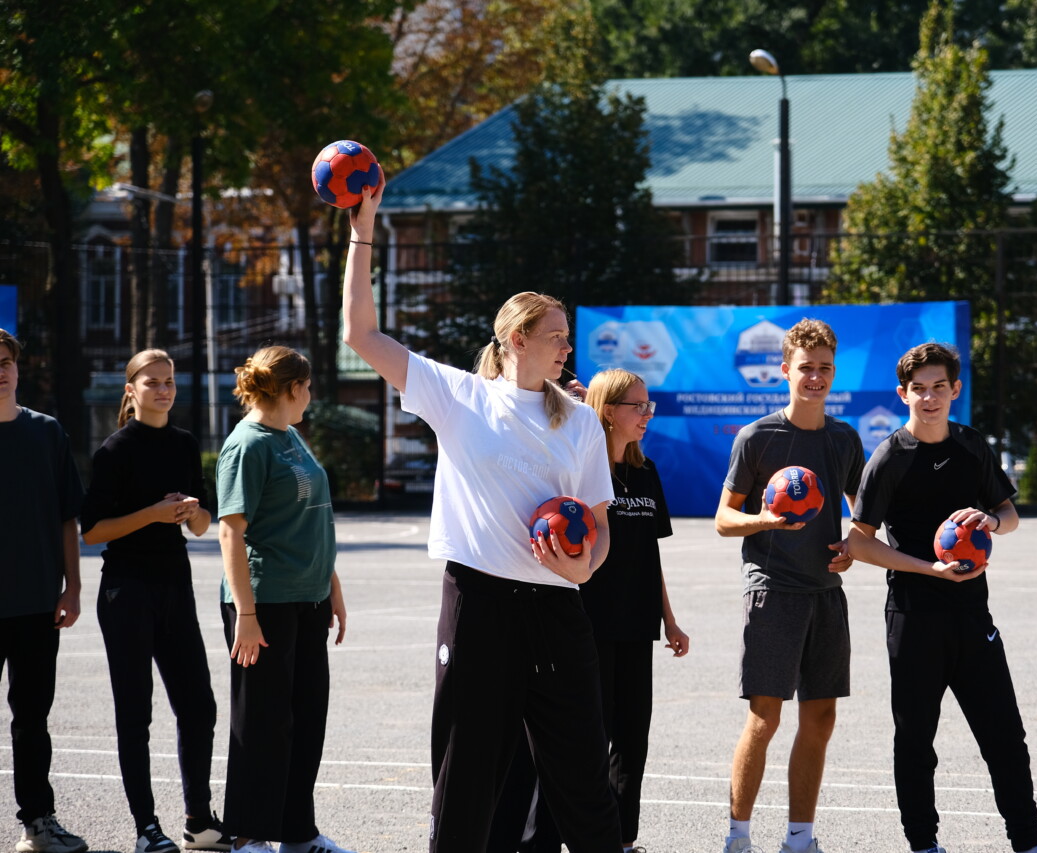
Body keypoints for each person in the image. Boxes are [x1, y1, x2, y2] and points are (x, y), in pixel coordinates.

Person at [341, 180, 620, 853]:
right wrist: (363, 231)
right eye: (555, 337)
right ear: (518, 338)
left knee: (583, 776)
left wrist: (585, 561)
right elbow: (361, 333)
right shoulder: (459, 396)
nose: (567, 349)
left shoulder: (580, 421)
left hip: (557, 610)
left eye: (568, 339)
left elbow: (601, 523)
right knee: (466, 775)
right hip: (480, 605)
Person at [715, 320, 974, 853]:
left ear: (834, 373)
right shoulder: (757, 437)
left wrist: (850, 551)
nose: (815, 377)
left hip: (825, 594)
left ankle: (799, 838)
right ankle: (738, 838)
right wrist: (764, 520)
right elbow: (722, 518)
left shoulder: (843, 439)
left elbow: (863, 518)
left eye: (825, 368)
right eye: (805, 368)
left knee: (822, 716)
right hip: (772, 591)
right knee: (765, 718)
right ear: (784, 370)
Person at [850, 342, 1037, 853]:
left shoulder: (970, 446)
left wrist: (991, 520)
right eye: (918, 389)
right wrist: (930, 569)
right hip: (914, 617)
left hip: (972, 615)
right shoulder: (889, 458)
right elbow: (858, 541)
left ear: (955, 390)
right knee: (916, 742)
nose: (929, 397)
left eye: (938, 387)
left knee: (1005, 738)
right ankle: (924, 846)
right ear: (903, 395)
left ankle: (1029, 845)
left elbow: (1009, 516)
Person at [490, 369, 691, 853]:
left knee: (631, 739)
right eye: (636, 406)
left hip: (637, 623)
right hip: (588, 623)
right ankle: (540, 840)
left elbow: (650, 554)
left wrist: (669, 618)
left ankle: (619, 839)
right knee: (578, 741)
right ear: (607, 411)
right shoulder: (581, 470)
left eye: (649, 406)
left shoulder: (646, 471)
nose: (647, 415)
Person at [80, 349, 231, 853]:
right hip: (126, 591)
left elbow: (204, 523)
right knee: (135, 713)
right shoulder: (114, 451)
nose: (164, 389)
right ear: (132, 390)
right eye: (152, 382)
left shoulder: (186, 445)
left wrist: (191, 513)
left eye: (169, 381)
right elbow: (92, 532)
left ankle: (198, 820)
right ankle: (146, 827)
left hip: (174, 587)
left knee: (199, 706)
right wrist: (153, 513)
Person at [215, 346, 350, 853]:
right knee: (263, 724)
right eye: (308, 387)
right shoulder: (248, 445)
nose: (310, 396)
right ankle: (249, 836)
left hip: (308, 598)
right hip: (264, 603)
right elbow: (231, 532)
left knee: (306, 718)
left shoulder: (289, 436)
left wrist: (331, 586)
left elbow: (312, 516)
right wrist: (246, 615)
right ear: (292, 389)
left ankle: (297, 833)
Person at [0, 328, 88, 853]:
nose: (1, 369)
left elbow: (67, 519)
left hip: (36, 604)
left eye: (6, 360)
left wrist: (73, 588)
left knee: (32, 721)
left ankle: (38, 824)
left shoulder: (47, 432)